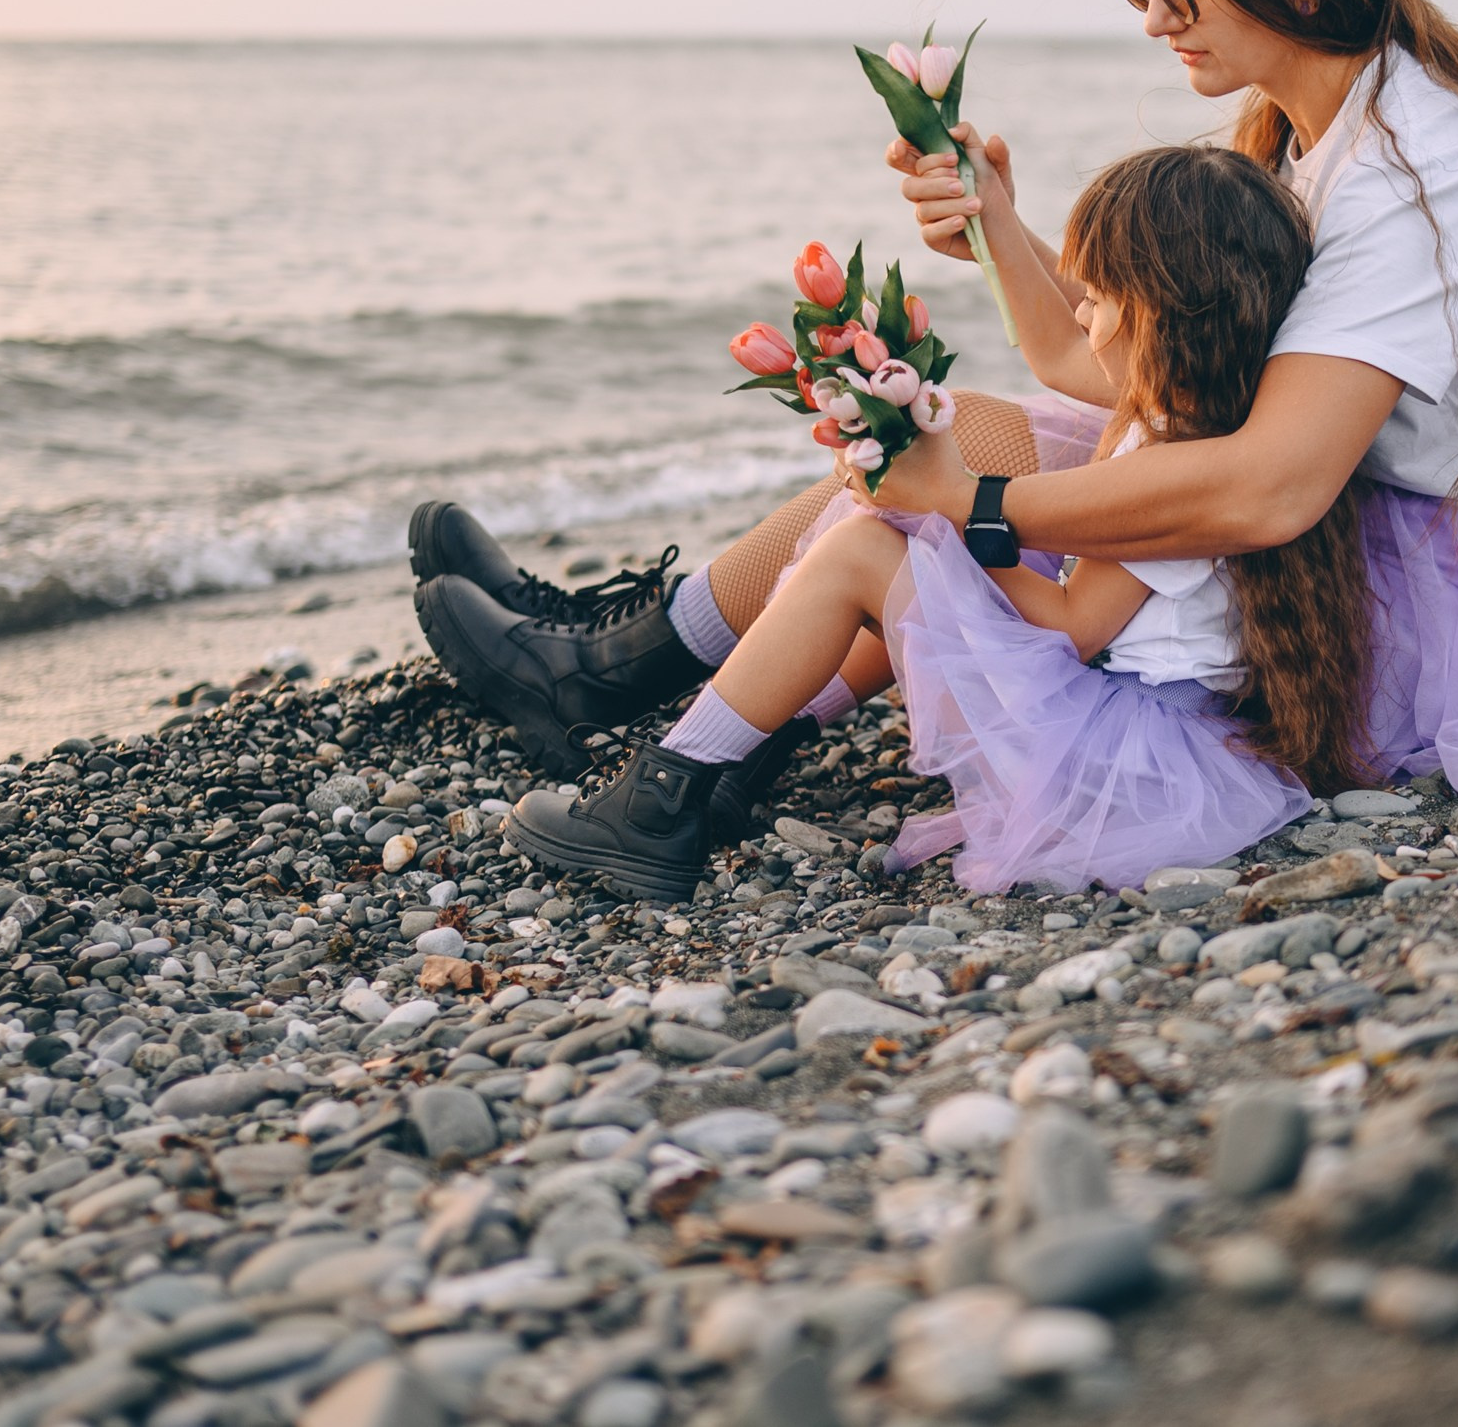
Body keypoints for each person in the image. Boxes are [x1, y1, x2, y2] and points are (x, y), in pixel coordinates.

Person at [415, 0, 1458, 851]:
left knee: (961, 471)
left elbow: (1270, 486)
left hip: (1409, 567)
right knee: (977, 431)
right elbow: (1126, 367)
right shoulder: (1309, 123)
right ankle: (626, 664)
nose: (1159, 21)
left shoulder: (1416, 168)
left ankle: (628, 687)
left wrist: (974, 504)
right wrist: (999, 222)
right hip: (1330, 509)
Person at [503, 146, 1370, 899]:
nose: (1081, 312)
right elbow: (1059, 364)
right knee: (924, 563)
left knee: (862, 555)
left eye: (1100, 298)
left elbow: (1072, 625)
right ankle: (744, 753)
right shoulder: (1210, 407)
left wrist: (949, 529)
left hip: (1107, 767)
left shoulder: (1174, 467)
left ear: (1165, 316)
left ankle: (661, 797)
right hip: (1147, 734)